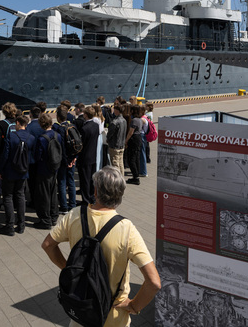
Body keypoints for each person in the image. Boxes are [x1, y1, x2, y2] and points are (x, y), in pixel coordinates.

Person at [42, 166, 161, 326]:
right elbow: (154, 282)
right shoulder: (127, 229)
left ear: (96, 191)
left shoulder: (75, 215)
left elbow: (48, 244)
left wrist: (67, 269)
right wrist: (134, 305)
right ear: (120, 195)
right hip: (112, 315)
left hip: (81, 308)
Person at [0, 115, 33, 236]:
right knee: (20, 195)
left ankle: (9, 225)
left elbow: (5, 155)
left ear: (17, 123)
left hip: (9, 171)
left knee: (7, 197)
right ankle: (21, 224)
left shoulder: (11, 136)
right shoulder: (31, 138)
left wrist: (0, 170)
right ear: (26, 124)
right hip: (23, 172)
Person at [33, 113, 61, 229]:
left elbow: (38, 156)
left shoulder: (41, 138)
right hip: (54, 167)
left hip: (44, 169)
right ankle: (54, 216)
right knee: (53, 192)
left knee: (44, 195)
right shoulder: (57, 135)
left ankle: (45, 220)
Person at [53, 106, 76, 215]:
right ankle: (72, 204)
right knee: (71, 182)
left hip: (64, 160)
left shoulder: (59, 128)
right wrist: (74, 159)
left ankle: (64, 207)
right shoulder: (72, 126)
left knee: (62, 182)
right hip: (72, 159)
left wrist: (66, 161)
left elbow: (61, 146)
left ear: (58, 117)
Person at [78, 107, 100, 204]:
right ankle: (92, 197)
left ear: (86, 115)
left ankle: (85, 200)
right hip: (93, 155)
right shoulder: (96, 125)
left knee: (85, 180)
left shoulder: (84, 128)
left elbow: (82, 143)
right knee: (91, 179)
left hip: (85, 157)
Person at [106, 105, 127, 177]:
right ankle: (122, 179)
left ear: (117, 110)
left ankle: (117, 181)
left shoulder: (114, 122)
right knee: (121, 164)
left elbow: (110, 134)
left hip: (114, 146)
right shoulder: (124, 120)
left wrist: (107, 139)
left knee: (115, 165)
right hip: (121, 145)